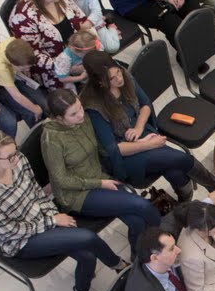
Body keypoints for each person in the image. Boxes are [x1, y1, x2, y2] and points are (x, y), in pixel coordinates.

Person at [0, 131, 123, 291]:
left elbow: (36, 192)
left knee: (87, 255)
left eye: (16, 152)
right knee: (88, 238)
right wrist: (51, 222)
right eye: (10, 157)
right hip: (21, 241)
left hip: (43, 219)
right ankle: (120, 266)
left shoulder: (18, 161)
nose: (16, 159)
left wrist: (53, 214)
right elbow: (8, 232)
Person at [39, 89, 161, 250]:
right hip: (77, 194)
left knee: (137, 220)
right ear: (59, 119)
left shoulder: (84, 120)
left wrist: (140, 143)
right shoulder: (51, 140)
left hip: (100, 178)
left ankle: (141, 255)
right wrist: (99, 183)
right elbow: (61, 180)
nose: (81, 115)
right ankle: (163, 243)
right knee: (142, 205)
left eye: (80, 108)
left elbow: (103, 149)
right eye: (74, 114)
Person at [78, 50, 195, 197]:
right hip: (123, 156)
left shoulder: (124, 75)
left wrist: (139, 128)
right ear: (101, 83)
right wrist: (150, 144)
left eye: (118, 73)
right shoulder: (93, 106)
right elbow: (114, 149)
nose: (119, 79)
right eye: (112, 79)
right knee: (179, 159)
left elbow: (145, 103)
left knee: (175, 170)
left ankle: (190, 202)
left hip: (140, 133)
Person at [6, 0, 93, 89]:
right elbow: (32, 55)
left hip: (77, 53)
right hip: (52, 68)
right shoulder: (23, 16)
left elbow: (81, 19)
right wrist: (67, 66)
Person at [0, 38, 47, 133]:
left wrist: (24, 70)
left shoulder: (14, 43)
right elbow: (16, 96)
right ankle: (40, 136)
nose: (28, 70)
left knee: (43, 103)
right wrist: (35, 109)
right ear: (12, 64)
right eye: (24, 67)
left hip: (14, 77)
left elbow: (22, 67)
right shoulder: (0, 67)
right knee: (30, 113)